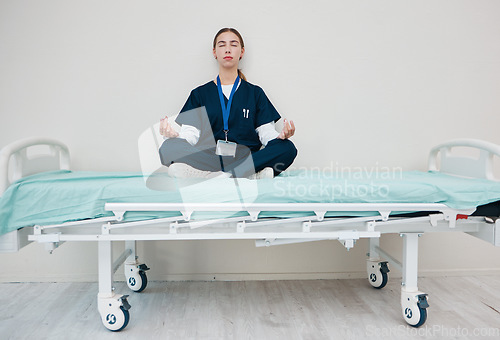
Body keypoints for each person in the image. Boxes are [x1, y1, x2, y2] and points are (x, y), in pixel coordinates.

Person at [159, 28, 297, 179]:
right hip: (210, 158)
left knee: (287, 148)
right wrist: (174, 136)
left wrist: (280, 137)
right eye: (222, 45)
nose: (228, 49)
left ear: (242, 52)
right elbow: (190, 135)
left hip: (247, 157)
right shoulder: (199, 94)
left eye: (233, 44)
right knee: (168, 147)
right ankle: (246, 175)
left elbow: (266, 133)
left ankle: (216, 175)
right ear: (214, 52)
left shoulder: (255, 93)